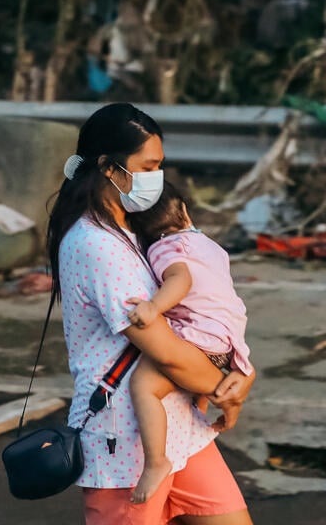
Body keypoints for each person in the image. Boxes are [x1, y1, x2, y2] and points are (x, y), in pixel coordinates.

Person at [48, 103, 254, 525]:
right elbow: (168, 351)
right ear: (109, 167)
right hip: (124, 444)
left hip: (181, 429)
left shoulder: (131, 228)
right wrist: (229, 388)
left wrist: (236, 379)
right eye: (148, 165)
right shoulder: (96, 244)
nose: (156, 177)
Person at [125, 183, 254, 503]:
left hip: (200, 339)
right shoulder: (207, 244)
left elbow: (180, 279)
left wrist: (153, 306)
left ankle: (156, 462)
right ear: (184, 211)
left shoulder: (165, 247)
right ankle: (225, 413)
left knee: (144, 387)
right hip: (228, 338)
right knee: (191, 392)